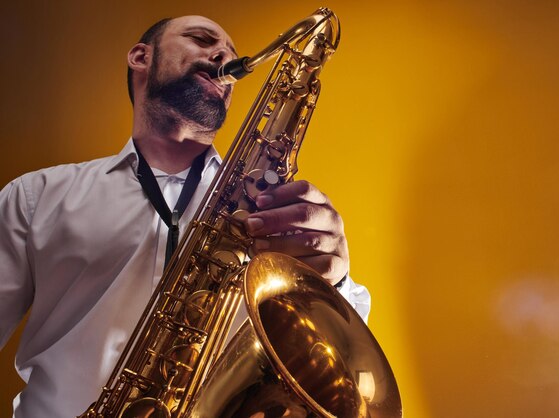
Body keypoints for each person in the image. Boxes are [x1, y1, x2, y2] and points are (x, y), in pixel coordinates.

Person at [0, 15, 370, 418]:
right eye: (201, 39)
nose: (223, 56)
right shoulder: (36, 196)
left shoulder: (269, 209)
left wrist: (332, 280)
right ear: (141, 57)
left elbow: (334, 358)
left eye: (229, 52)